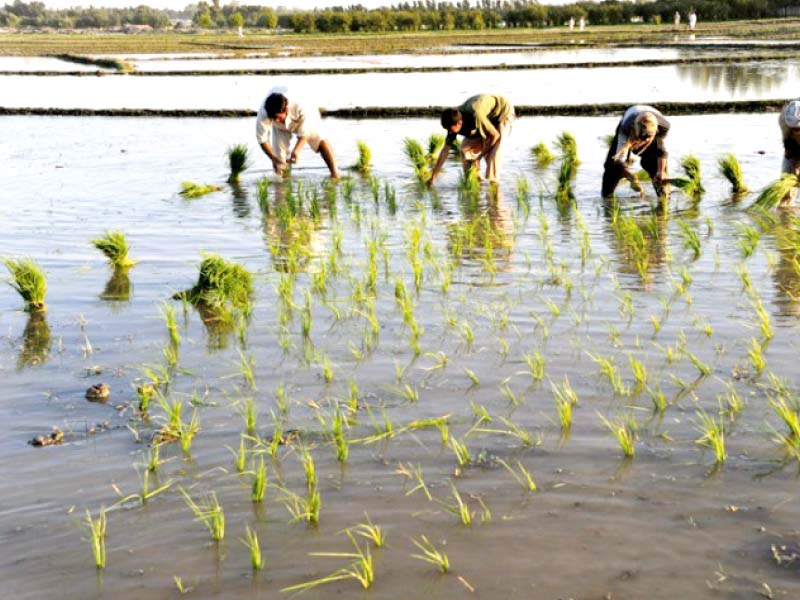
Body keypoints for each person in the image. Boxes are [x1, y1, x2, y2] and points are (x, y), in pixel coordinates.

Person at [428, 94, 515, 186]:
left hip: (503, 113)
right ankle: (474, 182)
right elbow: (445, 150)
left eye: (450, 129)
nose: (449, 132)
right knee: (464, 149)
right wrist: (433, 177)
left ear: (459, 123)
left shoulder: (477, 115)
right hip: (485, 119)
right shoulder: (453, 118)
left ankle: (493, 187)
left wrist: (479, 157)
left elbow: (495, 136)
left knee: (493, 156)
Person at [255, 87, 339, 179]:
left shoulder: (301, 105)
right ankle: (284, 185)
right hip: (280, 127)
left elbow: (305, 133)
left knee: (320, 141)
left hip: (305, 116)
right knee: (279, 156)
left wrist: (296, 150)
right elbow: (262, 139)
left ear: (286, 109)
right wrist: (273, 158)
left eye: (278, 117)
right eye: (273, 118)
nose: (276, 120)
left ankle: (335, 175)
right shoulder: (264, 112)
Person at [602, 105, 670, 199]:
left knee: (653, 164)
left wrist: (661, 172)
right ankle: (607, 198)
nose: (645, 140)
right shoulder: (625, 128)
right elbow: (618, 160)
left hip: (654, 122)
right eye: (642, 138)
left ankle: (663, 199)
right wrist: (632, 178)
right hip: (631, 122)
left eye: (648, 137)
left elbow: (661, 151)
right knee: (612, 168)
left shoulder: (663, 127)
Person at [779, 99, 800, 204]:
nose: (795, 131)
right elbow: (788, 151)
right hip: (794, 149)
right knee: (786, 185)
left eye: (798, 129)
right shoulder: (783, 121)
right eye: (793, 129)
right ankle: (786, 211)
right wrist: (794, 164)